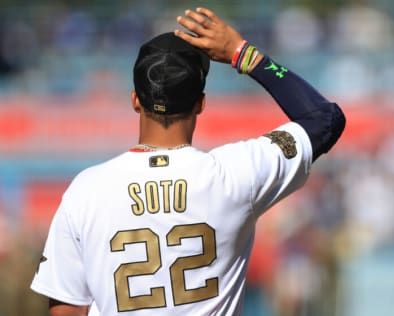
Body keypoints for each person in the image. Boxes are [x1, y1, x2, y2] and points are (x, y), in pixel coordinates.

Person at [31, 7, 346, 316]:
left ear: (135, 100)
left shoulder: (87, 189)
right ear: (200, 103)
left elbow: (68, 308)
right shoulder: (236, 173)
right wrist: (243, 53)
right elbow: (324, 119)